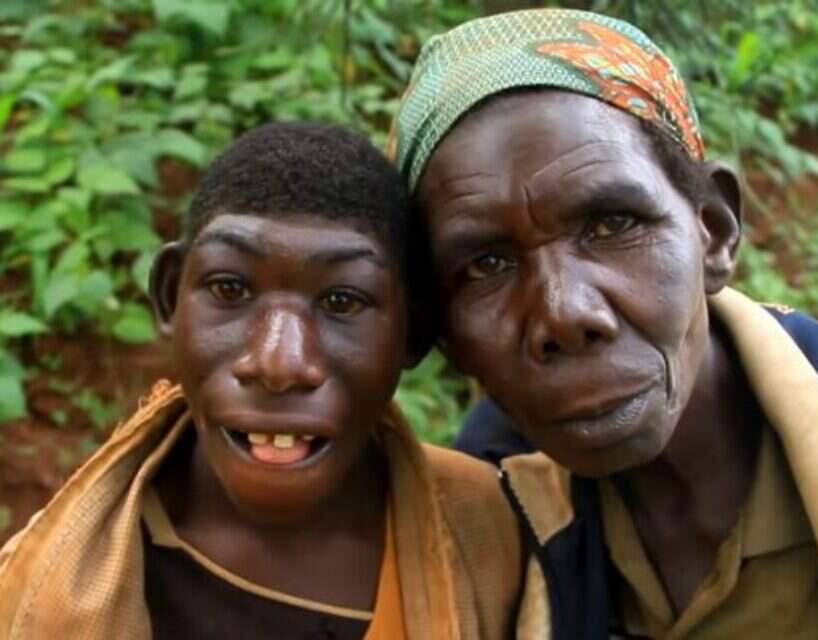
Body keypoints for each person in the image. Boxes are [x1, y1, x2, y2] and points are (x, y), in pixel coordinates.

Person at [390, 9, 818, 639]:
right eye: (486, 264)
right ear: (443, 334)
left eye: (612, 224)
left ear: (713, 230)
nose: (565, 313)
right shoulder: (483, 509)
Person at [0, 122, 521, 639]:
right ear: (169, 296)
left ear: (415, 329)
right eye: (230, 290)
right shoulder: (49, 589)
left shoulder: (491, 536)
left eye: (341, 301)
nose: (278, 363)